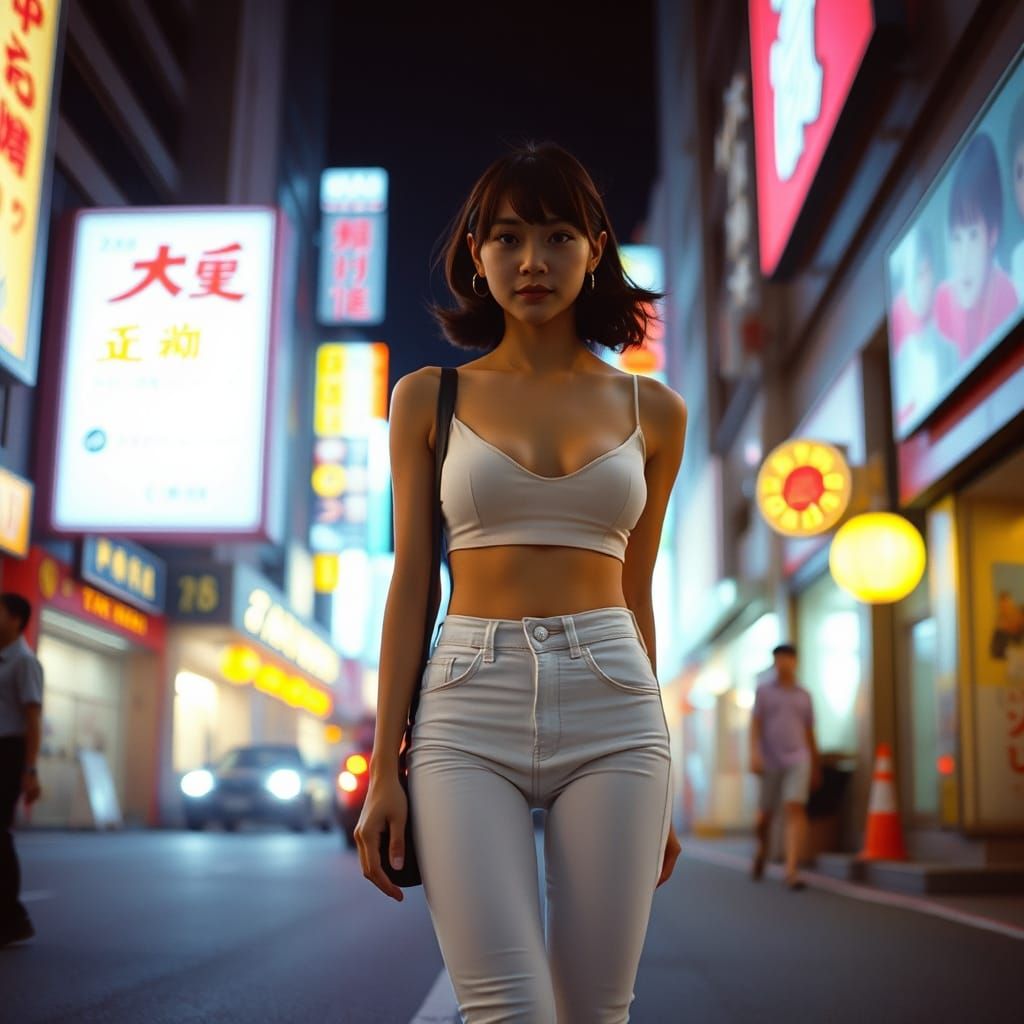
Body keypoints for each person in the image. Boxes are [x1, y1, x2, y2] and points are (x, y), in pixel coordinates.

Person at [355, 141, 687, 1022]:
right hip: (467, 705)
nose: (531, 260)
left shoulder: (654, 411)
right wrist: (385, 766)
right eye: (505, 237)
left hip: (616, 705)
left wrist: (663, 771)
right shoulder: (430, 396)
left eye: (556, 234)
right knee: (508, 1010)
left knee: (595, 1011)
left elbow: (639, 591)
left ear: (595, 248)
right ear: (476, 254)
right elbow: (411, 584)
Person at [933, 131, 1018, 361]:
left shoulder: (1011, 298)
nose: (963, 259)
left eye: (972, 236)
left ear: (992, 234)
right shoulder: (941, 303)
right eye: (956, 239)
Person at [749, 643, 820, 891]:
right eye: (779, 659)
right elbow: (755, 725)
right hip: (770, 760)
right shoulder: (764, 691)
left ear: (795, 662)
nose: (784, 663)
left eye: (788, 659)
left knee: (794, 807)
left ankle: (791, 869)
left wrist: (816, 763)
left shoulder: (804, 695)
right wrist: (754, 754)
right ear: (774, 662)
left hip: (799, 758)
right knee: (764, 817)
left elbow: (810, 731)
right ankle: (761, 850)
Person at [0, 592, 43, 947]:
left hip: (9, 751)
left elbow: (32, 719)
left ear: (16, 619)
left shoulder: (24, 662)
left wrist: (29, 769)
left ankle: (12, 917)